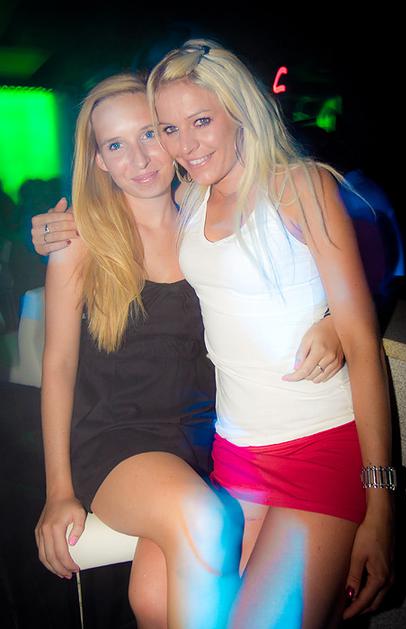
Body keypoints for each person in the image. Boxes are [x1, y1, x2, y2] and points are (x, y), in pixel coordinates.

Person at [32, 72, 344, 629]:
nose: (138, 158)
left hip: (211, 442)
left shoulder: (207, 220)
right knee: (202, 521)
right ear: (98, 160)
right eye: (115, 145)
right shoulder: (80, 241)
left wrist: (334, 319)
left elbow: (313, 266)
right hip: (118, 443)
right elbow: (57, 367)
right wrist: (58, 491)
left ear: (172, 135)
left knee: (158, 603)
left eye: (150, 134)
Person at [144, 39, 395, 628]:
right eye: (170, 128)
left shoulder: (300, 186)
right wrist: (62, 227)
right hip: (234, 452)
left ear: (240, 111)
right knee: (158, 604)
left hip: (320, 446)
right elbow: (126, 224)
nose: (186, 145)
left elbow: (364, 343)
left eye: (201, 121)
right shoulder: (189, 197)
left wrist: (382, 506)